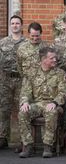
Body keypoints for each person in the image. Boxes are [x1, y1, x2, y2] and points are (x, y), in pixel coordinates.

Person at [18, 47, 66, 158]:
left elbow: (62, 93)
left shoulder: (60, 73)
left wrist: (55, 103)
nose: (55, 60)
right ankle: (28, 146)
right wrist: (25, 102)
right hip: (37, 104)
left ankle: (48, 146)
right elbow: (25, 91)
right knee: (23, 113)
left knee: (51, 112)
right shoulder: (31, 73)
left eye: (55, 57)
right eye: (52, 58)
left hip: (54, 104)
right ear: (43, 59)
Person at [0, 15, 26, 151]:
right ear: (10, 26)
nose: (15, 25)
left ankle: (23, 141)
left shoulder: (27, 43)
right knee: (4, 110)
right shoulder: (3, 43)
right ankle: (2, 138)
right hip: (5, 80)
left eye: (17, 23)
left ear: (21, 26)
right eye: (13, 23)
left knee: (21, 110)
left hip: (21, 80)